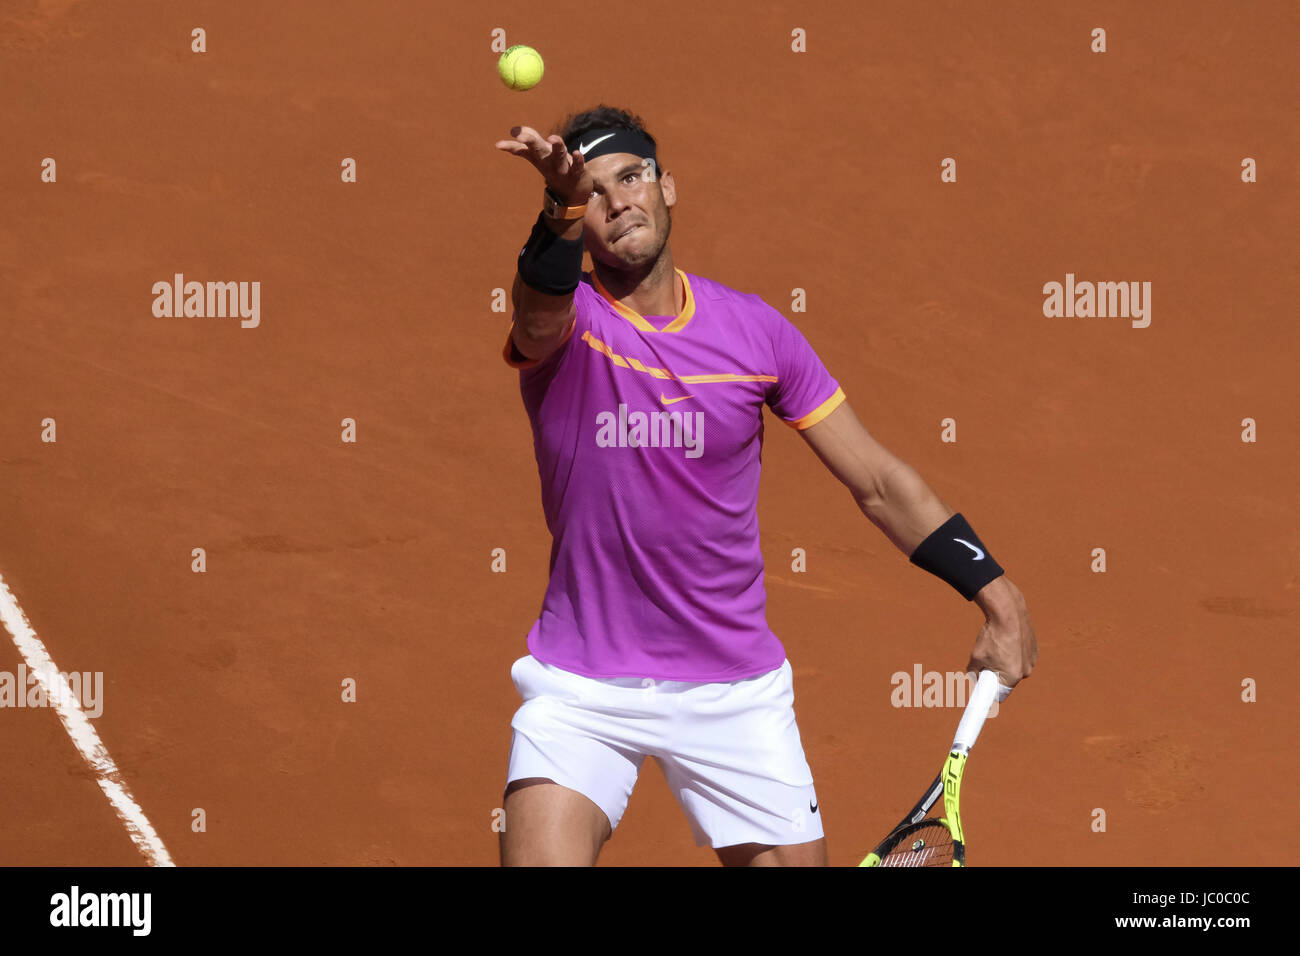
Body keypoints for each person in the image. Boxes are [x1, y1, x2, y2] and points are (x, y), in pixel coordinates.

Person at [494, 105, 1038, 866]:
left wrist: (997, 595)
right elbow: (535, 311)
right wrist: (559, 209)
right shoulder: (570, 326)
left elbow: (878, 480)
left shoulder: (756, 334)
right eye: (594, 193)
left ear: (666, 188)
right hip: (584, 685)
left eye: (631, 177)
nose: (617, 202)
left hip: (732, 689)